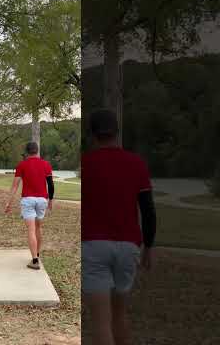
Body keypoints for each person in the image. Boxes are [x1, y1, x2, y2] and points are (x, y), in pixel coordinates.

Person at [82, 109, 157, 345]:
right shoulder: (137, 164)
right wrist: (149, 247)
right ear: (117, 132)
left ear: (93, 135)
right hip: (128, 246)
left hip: (93, 245)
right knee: (120, 316)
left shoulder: (86, 164)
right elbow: (148, 210)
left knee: (101, 323)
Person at [5, 142, 55, 270]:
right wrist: (51, 200)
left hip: (28, 200)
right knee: (38, 228)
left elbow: (15, 186)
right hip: (42, 200)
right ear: (37, 151)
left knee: (31, 230)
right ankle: (37, 255)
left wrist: (8, 202)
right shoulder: (46, 164)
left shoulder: (22, 165)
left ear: (27, 152)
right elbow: (50, 184)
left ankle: (34, 260)